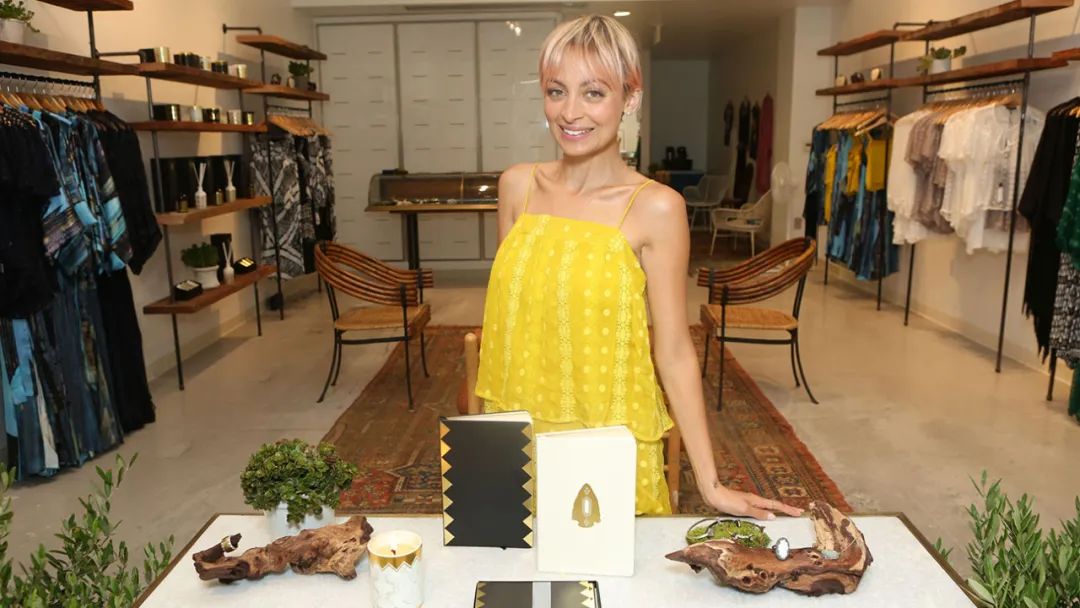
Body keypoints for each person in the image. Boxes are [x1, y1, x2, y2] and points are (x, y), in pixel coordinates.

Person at [475, 15, 802, 520]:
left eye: (593, 93)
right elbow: (512, 321)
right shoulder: (517, 187)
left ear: (629, 98)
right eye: (557, 91)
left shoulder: (656, 208)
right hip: (513, 425)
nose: (570, 112)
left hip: (604, 438)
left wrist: (711, 484)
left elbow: (674, 350)